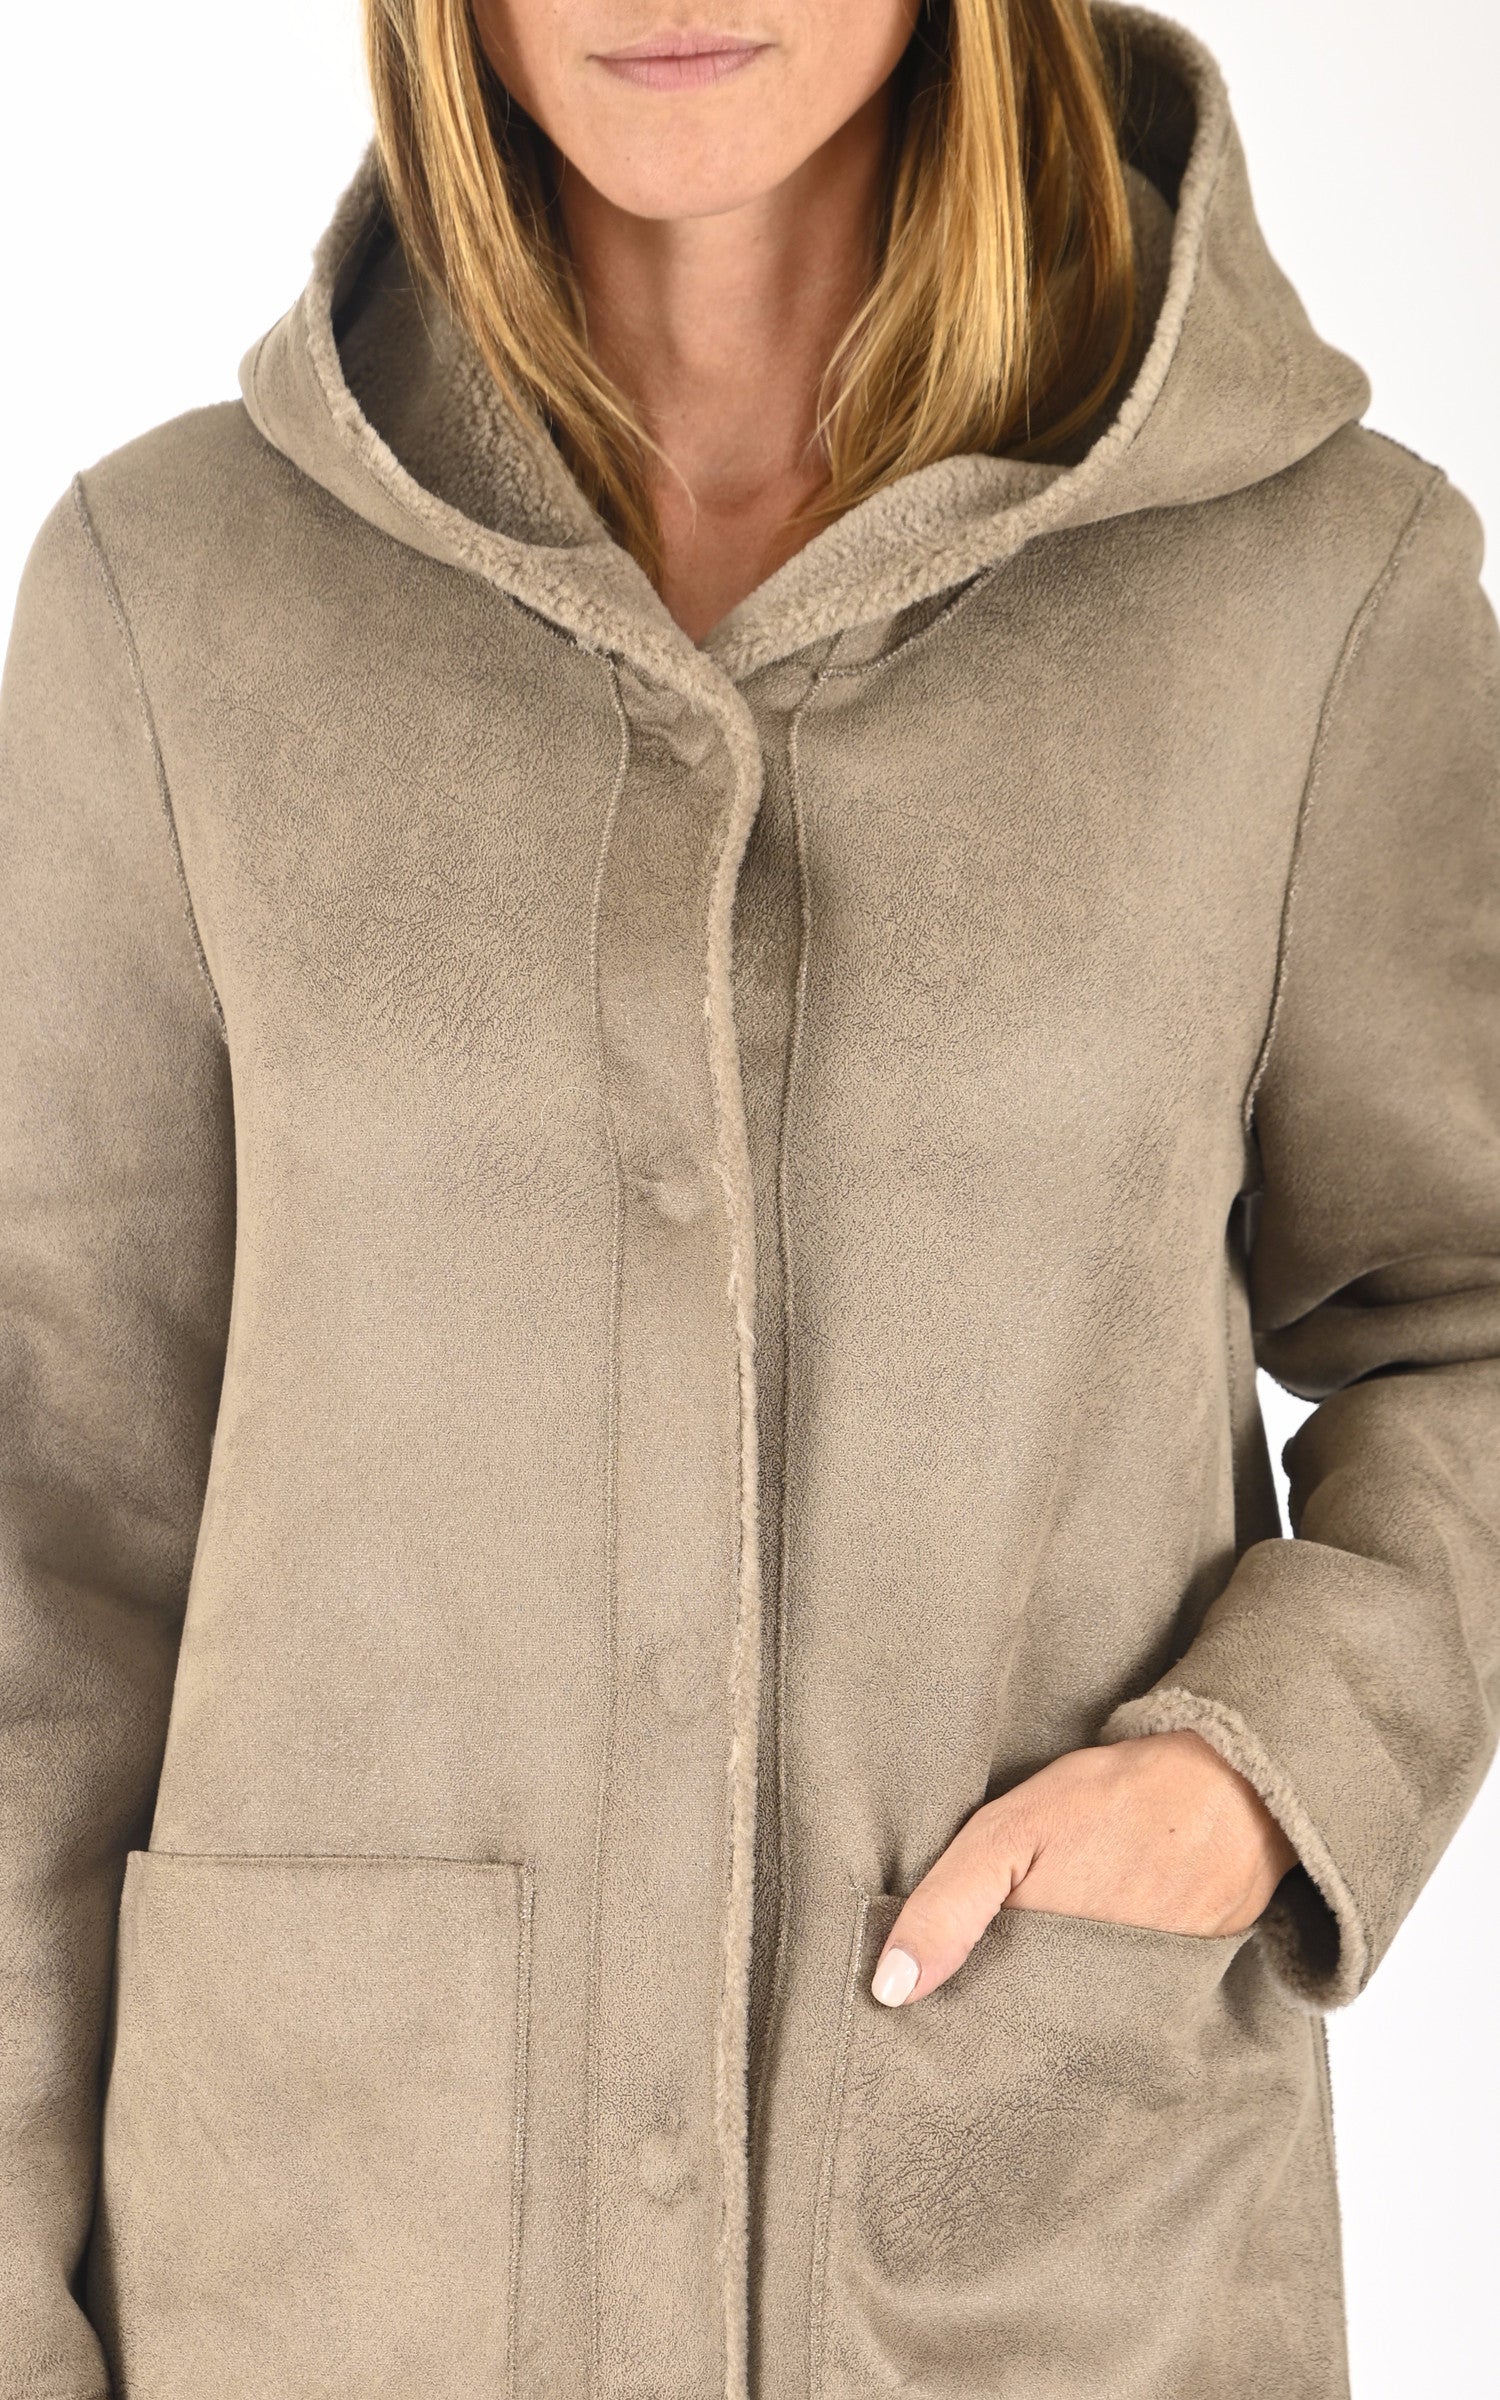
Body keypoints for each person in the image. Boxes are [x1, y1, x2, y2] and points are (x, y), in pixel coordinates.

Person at [1, 2, 1496, 2394]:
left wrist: (1267, 1770)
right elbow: (44, 1533)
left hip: (1048, 2284)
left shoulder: (1317, 593)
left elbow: (1469, 1322)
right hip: (330, 2286)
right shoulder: (170, 600)